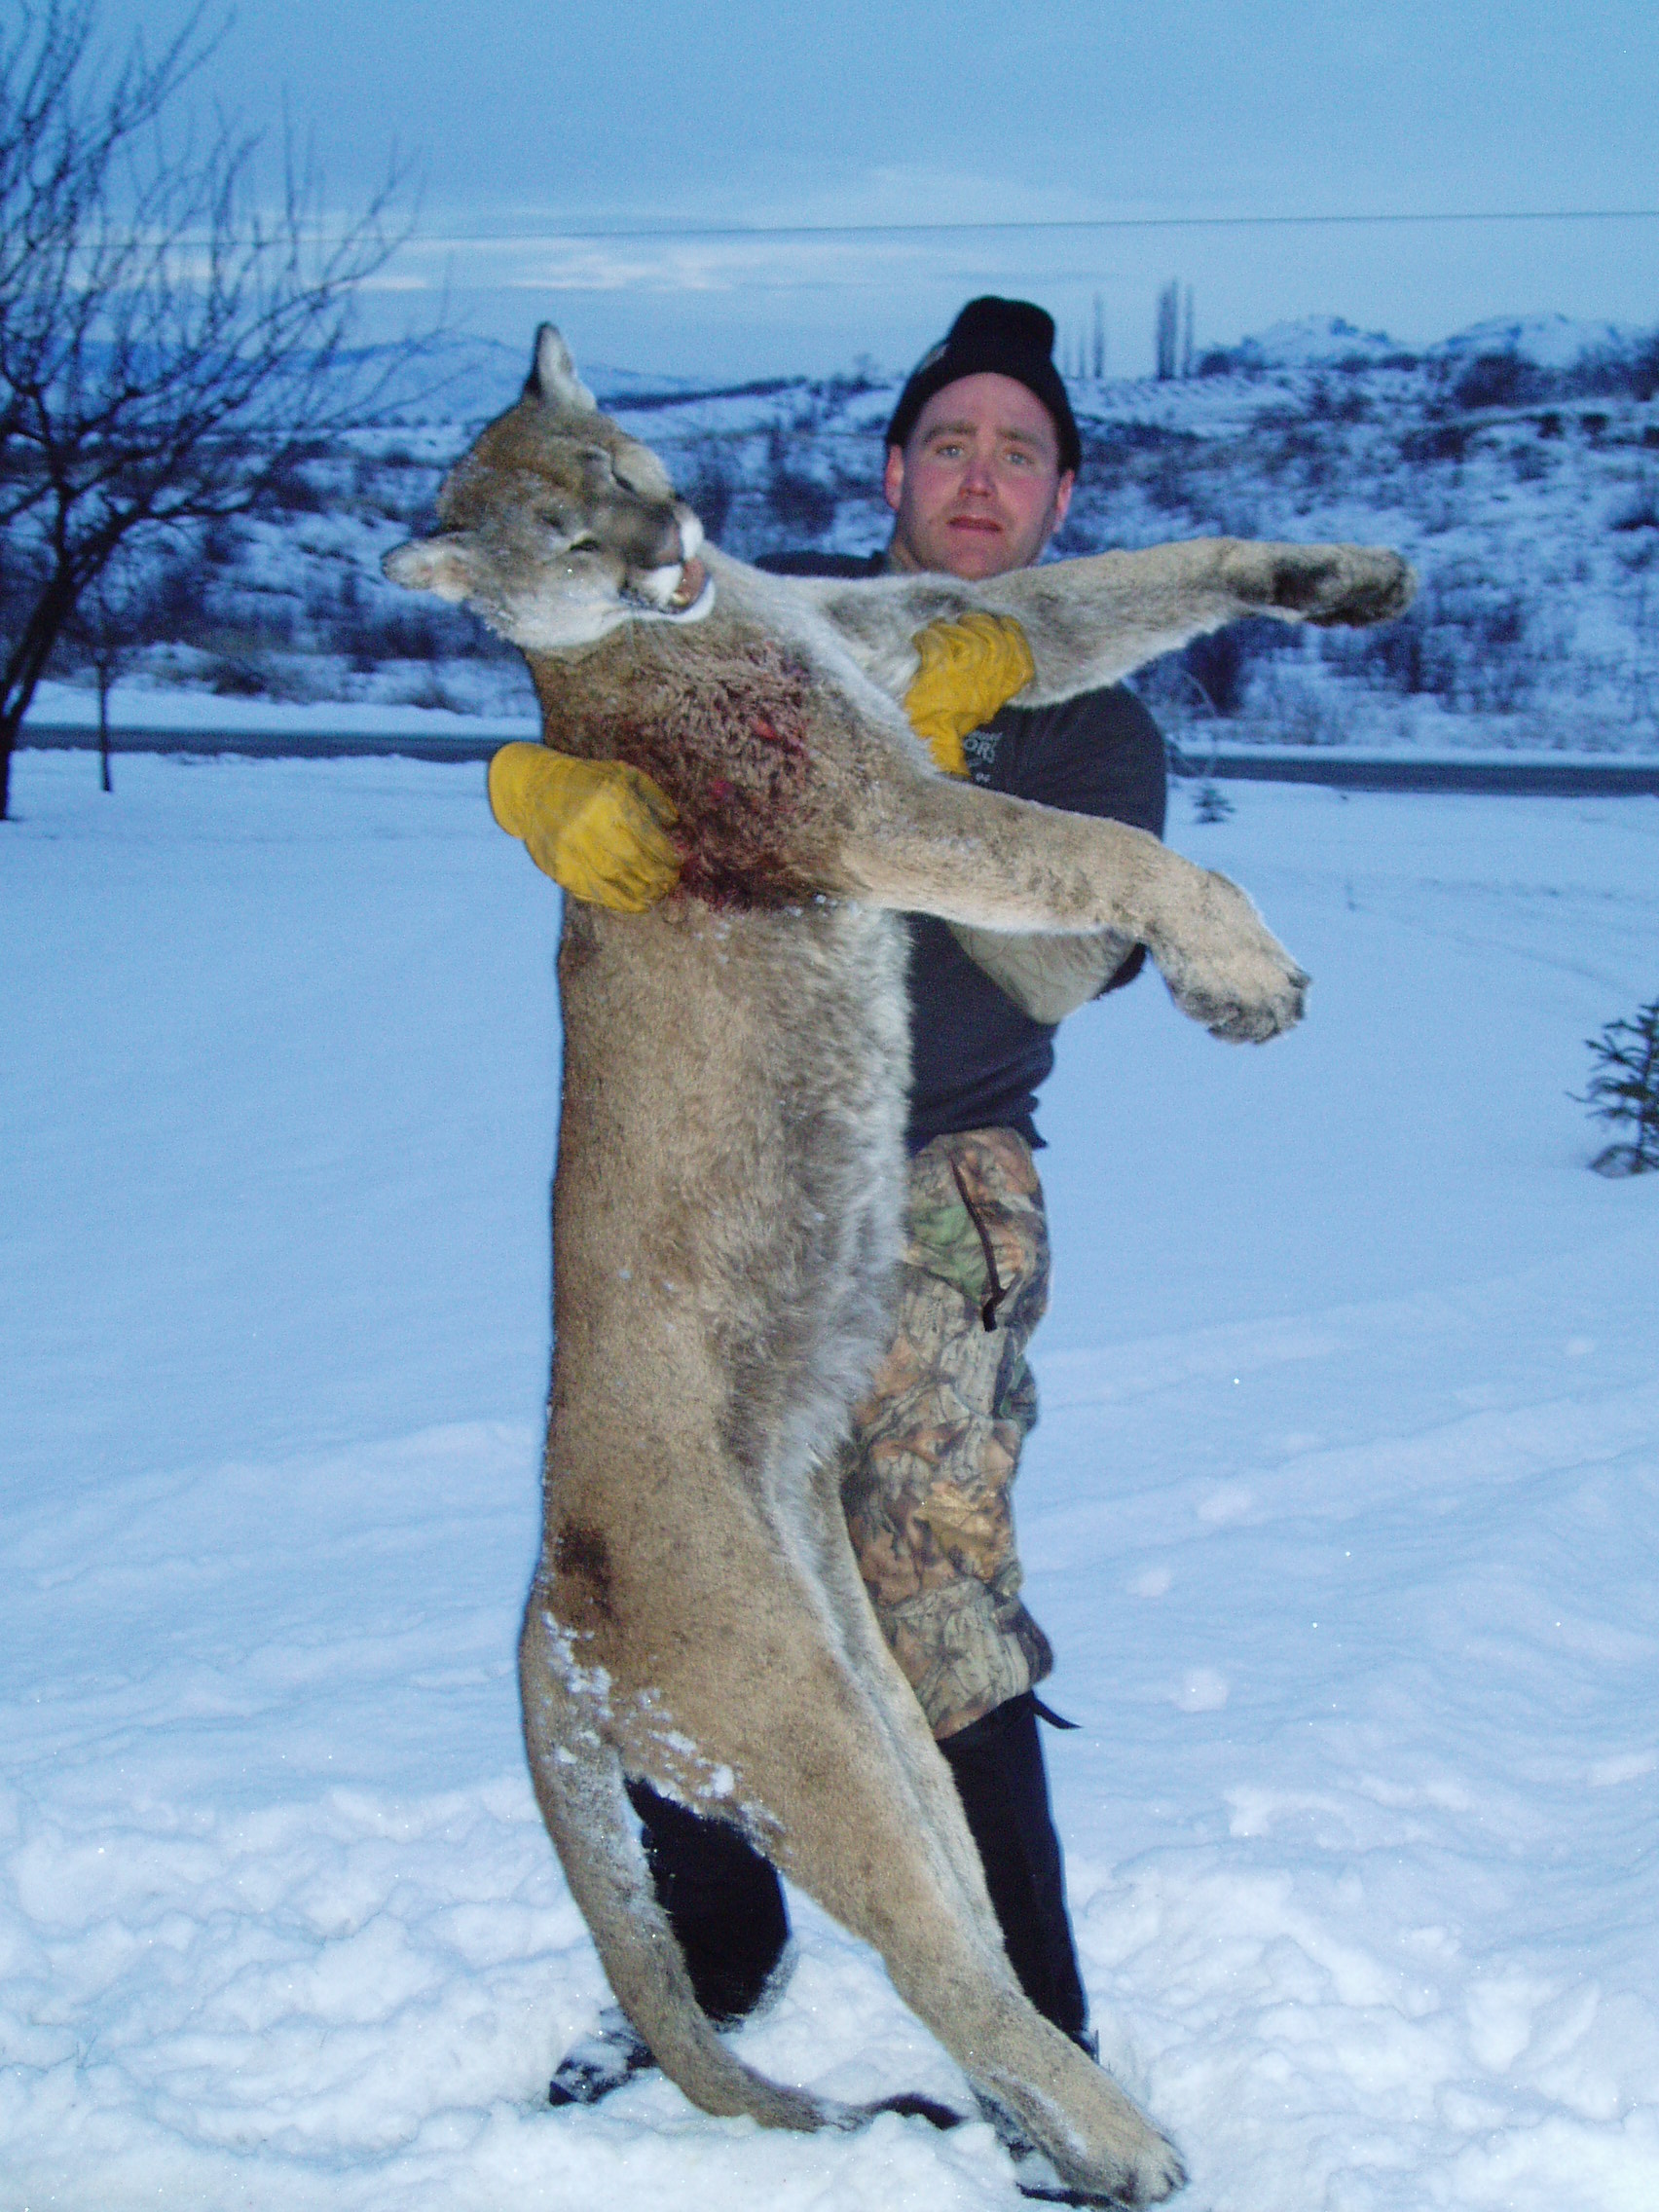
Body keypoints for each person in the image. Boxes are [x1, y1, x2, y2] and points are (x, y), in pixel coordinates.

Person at [498, 298, 1166, 2120]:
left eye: (1019, 453)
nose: (981, 477)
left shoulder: (1093, 722)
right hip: (712, 1178)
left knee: (926, 1591)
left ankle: (1047, 2057)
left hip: (935, 1185)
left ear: (1061, 500)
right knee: (662, 1548)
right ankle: (718, 1954)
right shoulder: (761, 631)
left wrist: (921, 778)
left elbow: (1072, 965)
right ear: (892, 472)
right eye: (950, 442)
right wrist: (535, 784)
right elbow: (594, 676)